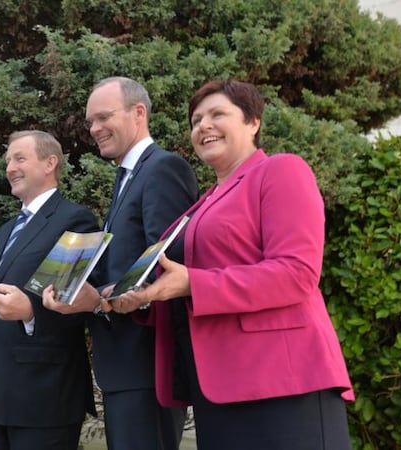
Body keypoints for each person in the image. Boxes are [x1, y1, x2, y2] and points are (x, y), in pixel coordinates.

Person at [109, 79, 354, 449]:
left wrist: (194, 283)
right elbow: (179, 283)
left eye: (217, 114)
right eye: (195, 120)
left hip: (281, 383)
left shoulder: (281, 171)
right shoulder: (203, 203)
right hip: (217, 387)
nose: (203, 126)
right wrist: (141, 297)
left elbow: (297, 273)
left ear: (253, 121)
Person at [44, 76, 198, 450]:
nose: (94, 129)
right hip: (125, 366)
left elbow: (163, 263)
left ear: (138, 113)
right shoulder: (128, 177)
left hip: (145, 364)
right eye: (90, 121)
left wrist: (97, 300)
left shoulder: (162, 168)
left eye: (103, 117)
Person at [0, 130, 98, 450]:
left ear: (50, 163)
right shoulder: (3, 233)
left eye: (19, 158)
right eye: (7, 161)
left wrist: (31, 311)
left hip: (45, 395)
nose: (9, 168)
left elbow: (81, 298)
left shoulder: (76, 220)